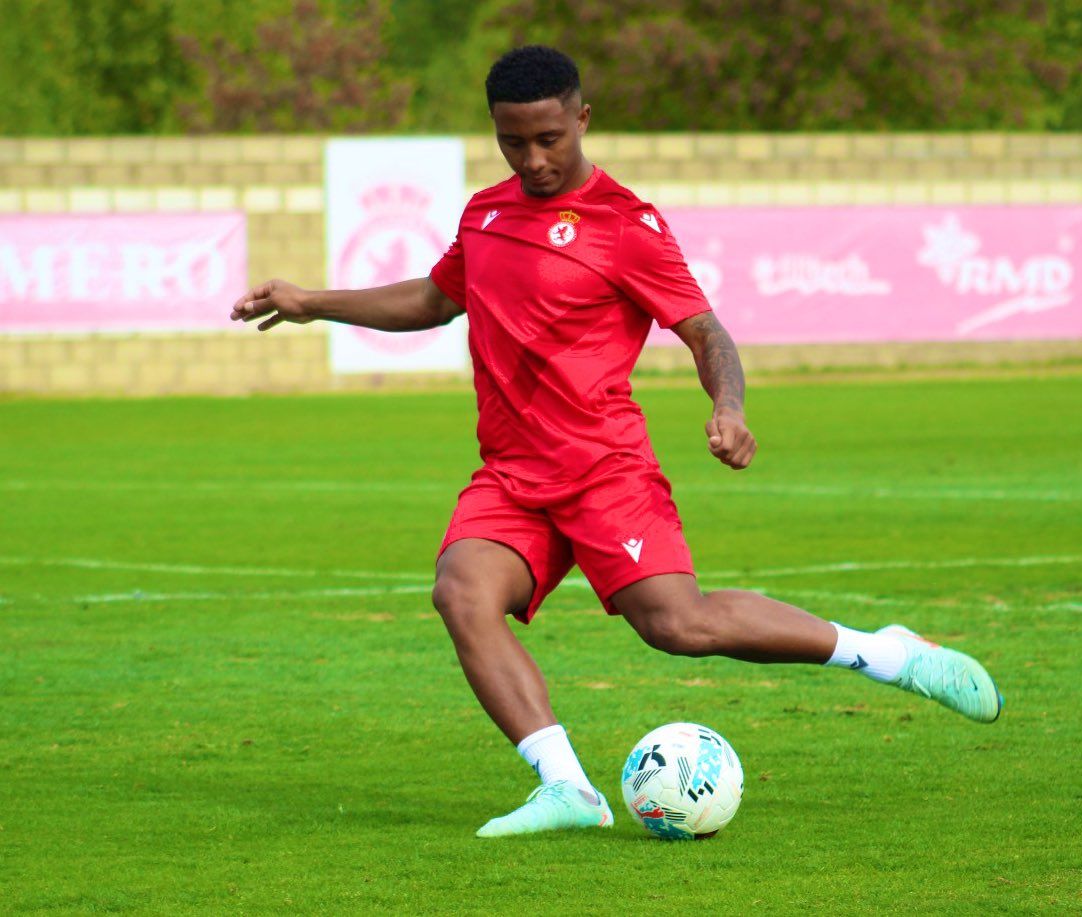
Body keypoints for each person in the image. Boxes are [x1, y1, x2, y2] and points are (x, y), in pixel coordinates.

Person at [231, 45, 1002, 838]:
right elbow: (435, 297)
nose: (532, 159)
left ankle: (882, 652)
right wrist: (311, 301)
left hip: (603, 470)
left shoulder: (626, 224)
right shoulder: (485, 213)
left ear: (581, 119)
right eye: (512, 142)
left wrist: (728, 407)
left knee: (678, 626)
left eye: (548, 139)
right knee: (461, 592)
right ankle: (567, 788)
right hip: (510, 473)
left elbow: (705, 331)